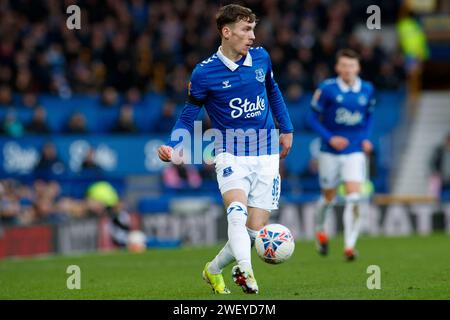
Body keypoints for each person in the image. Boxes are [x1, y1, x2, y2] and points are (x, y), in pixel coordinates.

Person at [157, 4, 293, 294]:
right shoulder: (205, 73)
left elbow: (273, 92)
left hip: (267, 151)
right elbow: (188, 114)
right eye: (246, 29)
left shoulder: (261, 58)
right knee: (235, 212)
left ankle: (213, 269)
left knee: (254, 232)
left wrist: (287, 128)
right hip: (231, 152)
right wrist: (174, 144)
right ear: (226, 32)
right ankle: (245, 272)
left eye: (254, 28)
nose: (252, 36)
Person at [308, 49, 376, 261]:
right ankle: (320, 230)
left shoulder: (367, 89)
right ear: (338, 68)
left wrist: (366, 138)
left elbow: (369, 117)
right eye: (344, 65)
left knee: (354, 197)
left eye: (352, 65)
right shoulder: (327, 89)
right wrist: (330, 138)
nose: (348, 69)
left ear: (358, 68)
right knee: (328, 197)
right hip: (330, 152)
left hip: (355, 150)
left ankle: (349, 246)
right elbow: (310, 117)